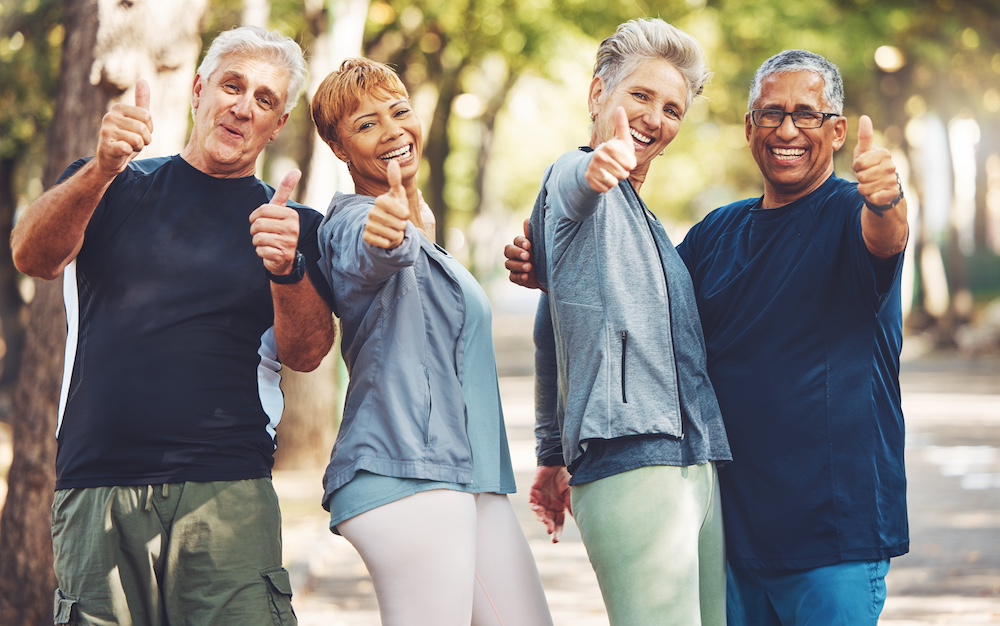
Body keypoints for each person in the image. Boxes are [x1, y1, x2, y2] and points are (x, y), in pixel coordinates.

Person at [507, 49, 909, 625]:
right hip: (730, 535)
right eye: (771, 113)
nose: (787, 129)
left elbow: (886, 239)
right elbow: (631, 301)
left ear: (838, 131)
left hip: (831, 540)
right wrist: (554, 270)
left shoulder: (850, 212)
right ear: (750, 128)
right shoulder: (717, 232)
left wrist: (886, 200)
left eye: (806, 114)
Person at [10, 26, 335, 625]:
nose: (242, 106)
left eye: (264, 99)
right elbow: (33, 257)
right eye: (232, 86)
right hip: (98, 482)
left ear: (278, 123)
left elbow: (308, 353)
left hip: (227, 488)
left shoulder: (291, 225)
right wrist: (102, 168)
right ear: (197, 89)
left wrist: (288, 270)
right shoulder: (110, 186)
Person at [308, 57, 553, 626]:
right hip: (406, 475)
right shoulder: (350, 222)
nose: (393, 130)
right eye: (366, 124)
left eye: (399, 111)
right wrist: (386, 230)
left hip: (464, 479)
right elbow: (370, 251)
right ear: (339, 148)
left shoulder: (427, 236)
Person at [523, 19, 732, 626]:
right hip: (632, 460)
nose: (655, 117)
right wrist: (597, 169)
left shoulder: (647, 221)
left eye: (673, 108)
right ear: (597, 96)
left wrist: (550, 451)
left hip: (695, 460)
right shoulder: (576, 175)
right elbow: (572, 184)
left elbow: (550, 326)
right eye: (640, 95)